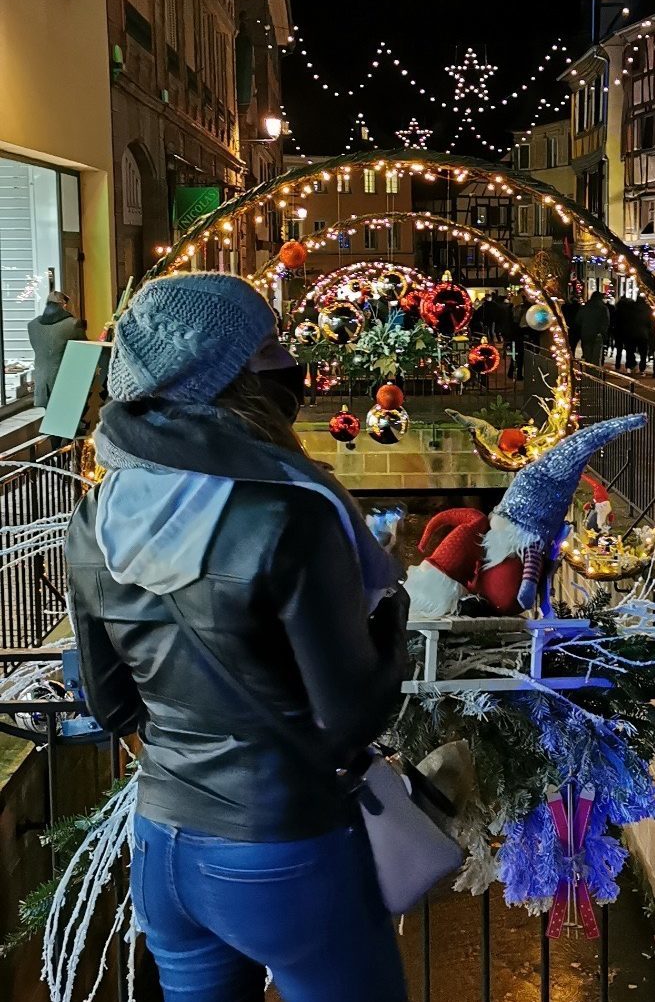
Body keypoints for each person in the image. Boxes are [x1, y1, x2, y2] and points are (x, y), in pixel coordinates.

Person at [66, 272, 410, 1002]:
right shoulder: (292, 513)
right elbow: (351, 714)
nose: (291, 364)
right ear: (224, 374)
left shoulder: (97, 515)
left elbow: (110, 704)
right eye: (270, 346)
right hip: (284, 846)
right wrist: (395, 625)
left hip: (162, 844)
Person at [27, 290, 85, 409]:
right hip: (66, 380)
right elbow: (84, 348)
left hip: (41, 380)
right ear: (64, 305)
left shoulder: (32, 325)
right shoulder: (73, 324)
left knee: (49, 418)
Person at [573, 291, 610, 367]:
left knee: (587, 354)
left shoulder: (584, 307)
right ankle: (595, 372)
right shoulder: (603, 308)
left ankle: (588, 371)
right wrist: (603, 332)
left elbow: (578, 320)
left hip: (586, 333)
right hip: (598, 334)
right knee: (596, 356)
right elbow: (606, 322)